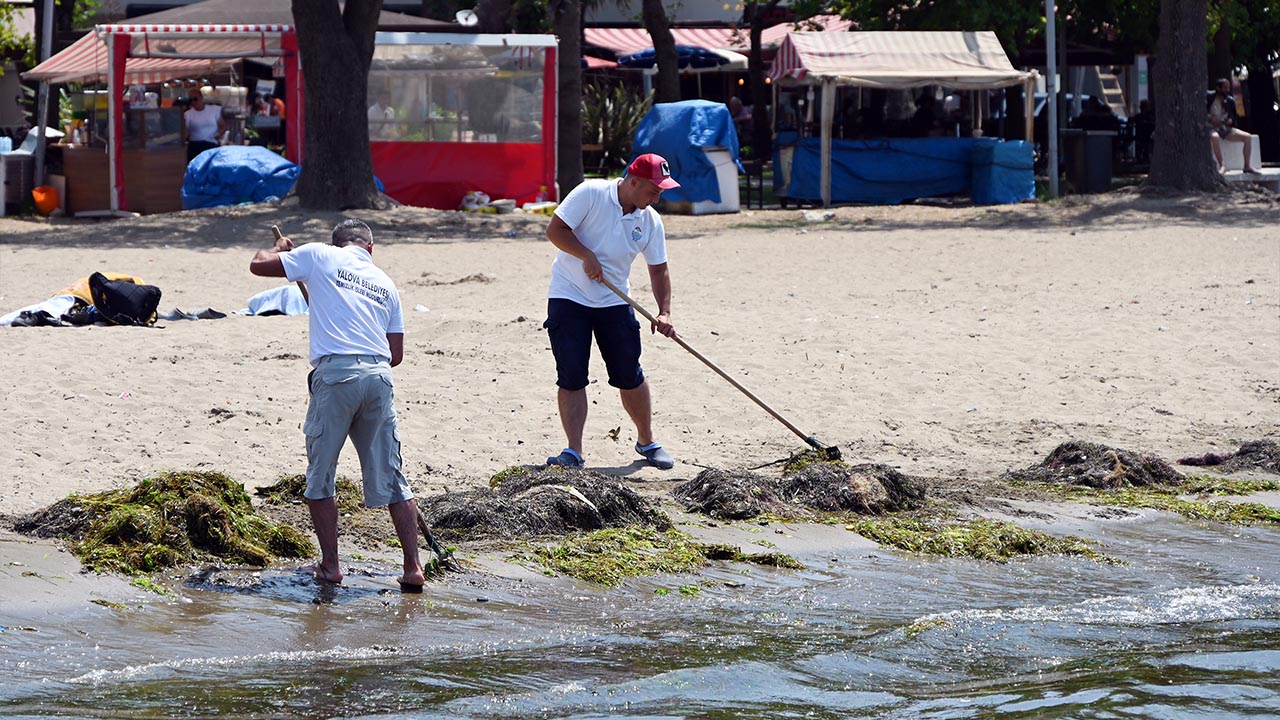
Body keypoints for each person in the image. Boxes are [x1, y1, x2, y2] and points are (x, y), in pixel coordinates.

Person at [248, 220, 425, 592]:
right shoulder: (384, 282)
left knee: (321, 475)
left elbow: (257, 264)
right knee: (393, 479)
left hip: (336, 378)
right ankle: (412, 568)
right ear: (370, 248)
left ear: (337, 243)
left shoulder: (318, 255)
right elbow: (395, 355)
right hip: (378, 378)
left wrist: (282, 250)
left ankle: (330, 567)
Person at [542, 153, 680, 471]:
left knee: (629, 375)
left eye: (660, 191)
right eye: (653, 190)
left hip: (616, 302)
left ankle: (647, 441)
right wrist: (586, 255)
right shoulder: (590, 193)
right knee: (572, 376)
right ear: (633, 182)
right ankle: (573, 451)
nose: (657, 197)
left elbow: (659, 270)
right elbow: (555, 230)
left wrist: (665, 312)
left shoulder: (649, 219)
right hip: (569, 296)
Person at [1207, 78, 1258, 174]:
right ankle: (1222, 165)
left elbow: (1233, 117)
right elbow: (1202, 112)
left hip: (1225, 128)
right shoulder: (1209, 97)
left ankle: (1247, 166)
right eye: (1225, 87)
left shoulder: (1229, 101)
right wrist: (1210, 119)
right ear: (1218, 88)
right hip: (1211, 127)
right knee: (1215, 137)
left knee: (1247, 137)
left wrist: (1230, 120)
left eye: (1228, 87)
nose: (1227, 90)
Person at [183, 87, 225, 163]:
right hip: (195, 145)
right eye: (190, 100)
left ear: (201, 98)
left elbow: (222, 125)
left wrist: (218, 135)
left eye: (195, 99)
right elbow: (186, 131)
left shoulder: (214, 110)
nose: (193, 102)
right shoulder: (188, 114)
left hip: (211, 143)